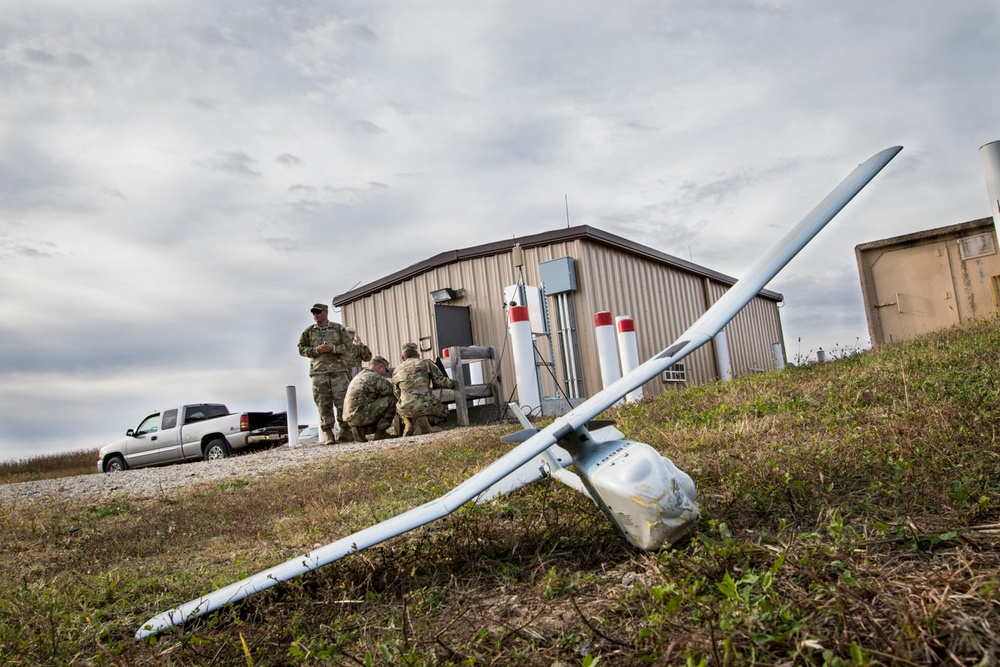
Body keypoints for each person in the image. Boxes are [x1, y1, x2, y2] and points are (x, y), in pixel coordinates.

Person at [297, 303, 371, 443]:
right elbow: (302, 349)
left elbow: (348, 347)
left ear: (326, 313)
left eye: (318, 312)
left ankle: (345, 430)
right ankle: (329, 433)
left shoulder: (338, 329)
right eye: (314, 313)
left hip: (338, 371)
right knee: (323, 403)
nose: (315, 315)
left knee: (342, 402)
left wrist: (333, 348)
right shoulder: (309, 331)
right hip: (319, 372)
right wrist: (316, 350)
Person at [392, 342, 455, 436]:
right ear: (418, 355)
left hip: (405, 408)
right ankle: (426, 420)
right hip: (426, 404)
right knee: (445, 413)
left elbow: (397, 394)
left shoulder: (396, 370)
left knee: (402, 409)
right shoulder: (425, 363)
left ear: (402, 358)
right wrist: (453, 383)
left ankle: (408, 422)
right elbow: (441, 382)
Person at [342, 355, 397, 442]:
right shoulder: (375, 377)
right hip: (361, 414)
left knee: (375, 405)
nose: (385, 373)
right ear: (380, 366)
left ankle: (360, 430)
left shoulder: (359, 376)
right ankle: (381, 433)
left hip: (349, 417)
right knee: (392, 401)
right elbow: (392, 393)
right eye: (385, 370)